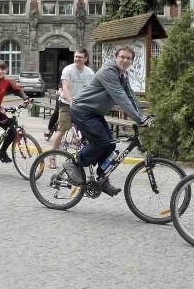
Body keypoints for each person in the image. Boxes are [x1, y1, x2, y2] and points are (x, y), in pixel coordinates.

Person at [64, 46, 151, 196]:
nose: (124, 60)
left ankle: (102, 179)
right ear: (115, 57)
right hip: (82, 111)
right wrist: (138, 118)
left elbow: (130, 96)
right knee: (102, 142)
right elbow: (120, 97)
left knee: (110, 144)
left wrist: (142, 116)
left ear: (131, 61)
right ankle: (73, 163)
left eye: (128, 58)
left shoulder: (122, 75)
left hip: (94, 113)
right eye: (122, 57)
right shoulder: (108, 72)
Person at [49, 49, 94, 152]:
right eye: (76, 56)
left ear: (86, 59)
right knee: (62, 129)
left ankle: (81, 154)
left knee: (87, 129)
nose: (77, 59)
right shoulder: (68, 69)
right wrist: (71, 102)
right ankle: (52, 155)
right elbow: (65, 87)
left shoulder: (90, 73)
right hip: (66, 103)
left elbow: (91, 90)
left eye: (80, 57)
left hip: (81, 105)